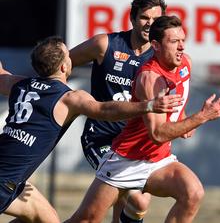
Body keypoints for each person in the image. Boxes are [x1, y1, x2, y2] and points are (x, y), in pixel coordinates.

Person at [66, 16, 220, 223]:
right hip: (125, 161)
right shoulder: (150, 79)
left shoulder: (185, 64)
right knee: (86, 220)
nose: (181, 47)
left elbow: (178, 110)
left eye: (183, 40)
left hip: (159, 161)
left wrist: (187, 121)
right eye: (174, 42)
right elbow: (158, 134)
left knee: (193, 193)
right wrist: (201, 117)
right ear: (155, 45)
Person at [0, 36, 183, 223]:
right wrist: (148, 106)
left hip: (11, 177)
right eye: (67, 55)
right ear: (64, 67)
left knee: (46, 218)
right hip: (5, 181)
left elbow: (1, 75)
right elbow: (105, 109)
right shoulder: (69, 98)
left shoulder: (20, 86)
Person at [69, 0, 167, 223]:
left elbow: (177, 92)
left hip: (137, 144)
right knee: (132, 200)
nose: (150, 25)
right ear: (132, 18)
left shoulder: (161, 57)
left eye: (156, 21)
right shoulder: (105, 44)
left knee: (130, 205)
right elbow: (61, 64)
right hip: (102, 138)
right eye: (144, 18)